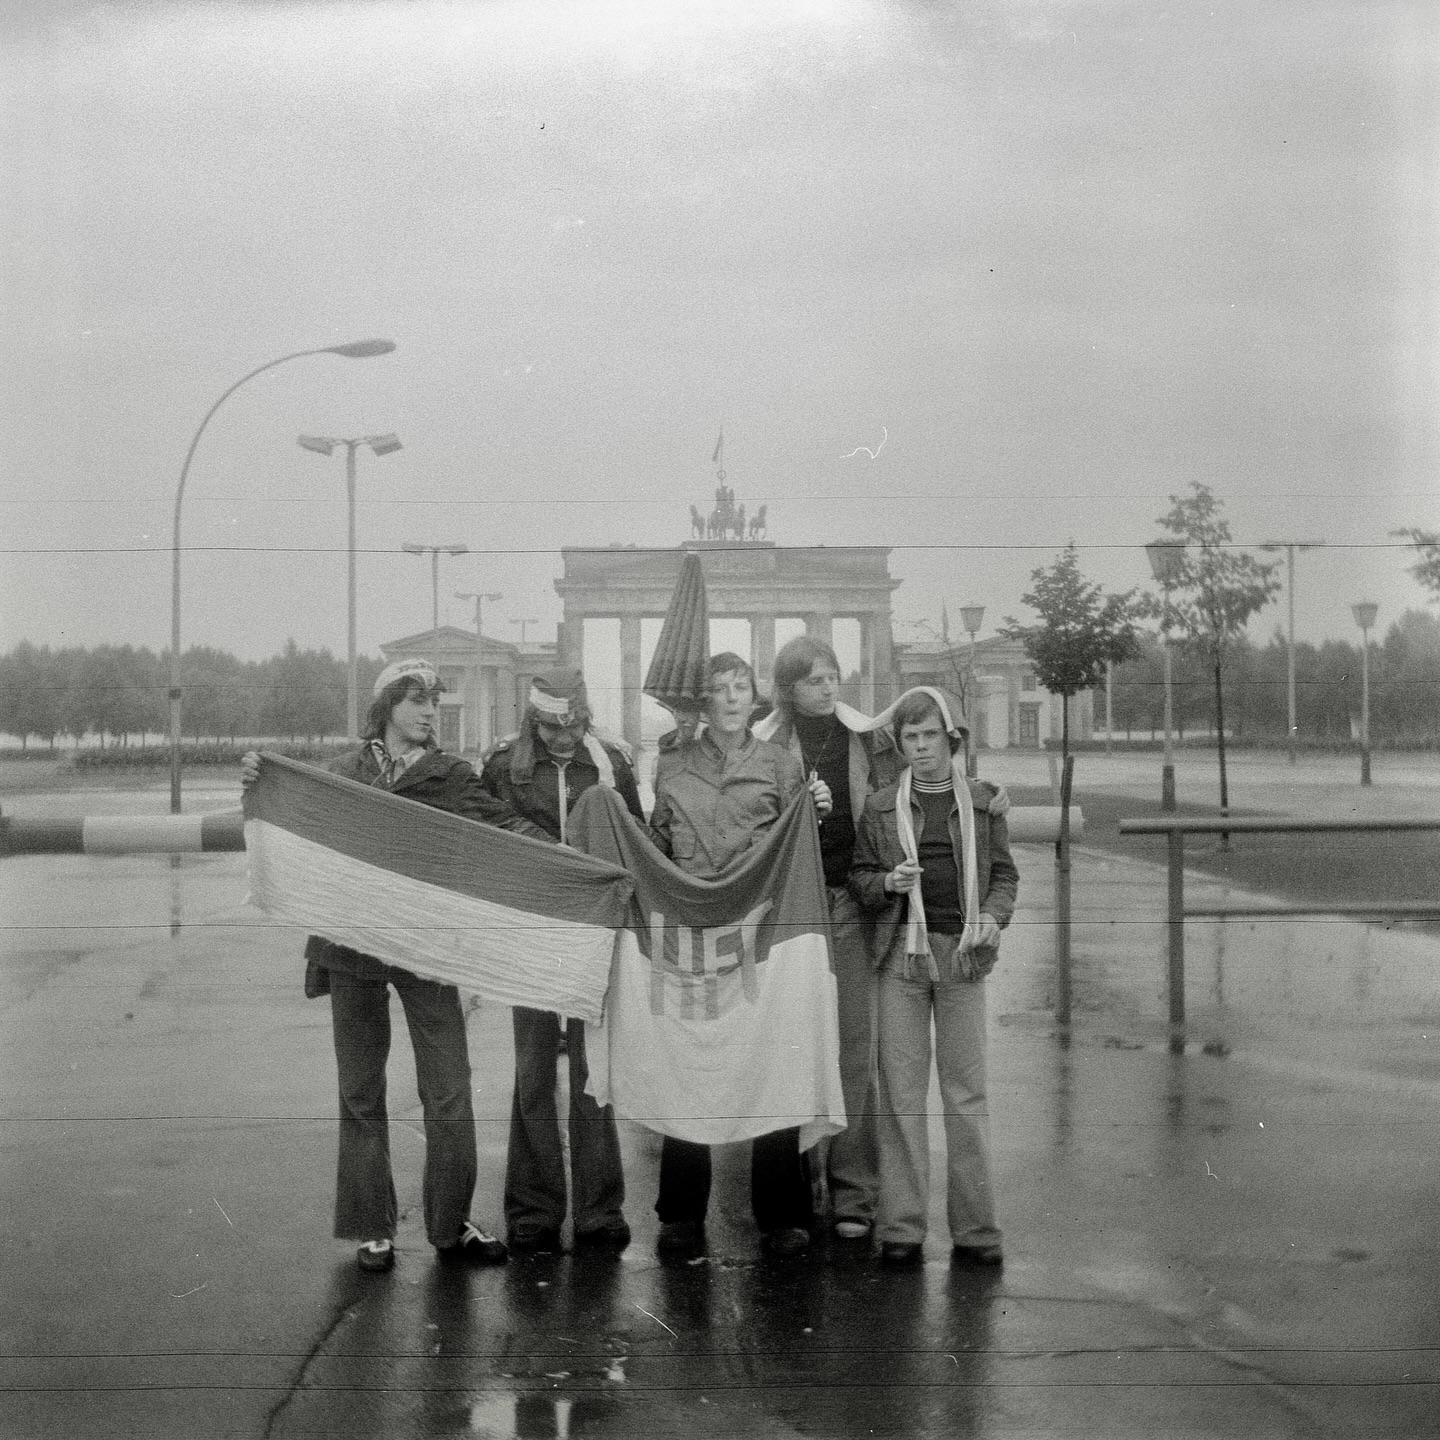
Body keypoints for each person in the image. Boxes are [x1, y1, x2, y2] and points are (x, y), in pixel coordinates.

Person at [241, 658, 547, 1274]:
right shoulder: (344, 774)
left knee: (449, 1090)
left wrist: (566, 853)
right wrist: (257, 781)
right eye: (416, 701)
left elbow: (504, 827)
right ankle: (371, 1228)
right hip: (350, 949)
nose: (431, 711)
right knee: (360, 1092)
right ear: (386, 707)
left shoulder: (451, 775)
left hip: (426, 949)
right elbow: (290, 813)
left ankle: (448, 1223)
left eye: (434, 701)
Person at [756, 640, 1011, 1246]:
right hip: (789, 902)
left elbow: (937, 783)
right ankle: (797, 1188)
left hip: (856, 900)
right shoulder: (767, 747)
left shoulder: (868, 737)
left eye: (833, 676)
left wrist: (988, 792)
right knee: (788, 1043)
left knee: (856, 1049)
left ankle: (857, 1190)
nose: (827, 687)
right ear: (789, 687)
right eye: (813, 679)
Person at [648, 651, 834, 1258]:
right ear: (704, 702)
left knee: (769, 1062)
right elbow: (657, 840)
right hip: (694, 933)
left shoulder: (781, 764)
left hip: (762, 936)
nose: (730, 698)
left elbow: (797, 843)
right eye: (718, 689)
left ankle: (780, 1211)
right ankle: (680, 1211)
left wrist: (818, 810)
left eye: (740, 687)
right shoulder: (672, 762)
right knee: (692, 1063)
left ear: (754, 697)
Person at [848, 687, 1019, 1269]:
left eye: (930, 737)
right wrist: (886, 883)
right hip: (902, 959)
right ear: (899, 745)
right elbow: (861, 880)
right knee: (901, 1097)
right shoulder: (878, 807)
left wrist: (993, 919)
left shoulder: (982, 803)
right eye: (910, 739)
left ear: (951, 739)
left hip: (964, 957)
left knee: (965, 1096)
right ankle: (902, 1226)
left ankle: (976, 1231)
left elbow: (1005, 877)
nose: (921, 749)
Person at [479, 668, 645, 1253]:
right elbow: (486, 832)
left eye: (574, 724)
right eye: (552, 727)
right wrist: (550, 848)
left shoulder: (613, 763)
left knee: (592, 1070)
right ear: (533, 720)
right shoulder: (502, 766)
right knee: (532, 1072)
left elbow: (636, 841)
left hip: (594, 933)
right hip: (531, 933)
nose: (565, 737)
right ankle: (533, 1209)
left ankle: (601, 1209)